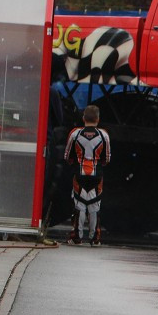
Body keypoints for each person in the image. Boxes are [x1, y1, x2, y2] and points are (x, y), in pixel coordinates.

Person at [63, 104, 111, 246]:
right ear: (98, 119)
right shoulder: (104, 135)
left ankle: (77, 237)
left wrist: (75, 163)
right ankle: (95, 238)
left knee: (79, 204)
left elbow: (67, 155)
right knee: (94, 205)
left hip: (79, 173)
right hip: (97, 175)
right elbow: (107, 158)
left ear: (83, 118)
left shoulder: (75, 133)